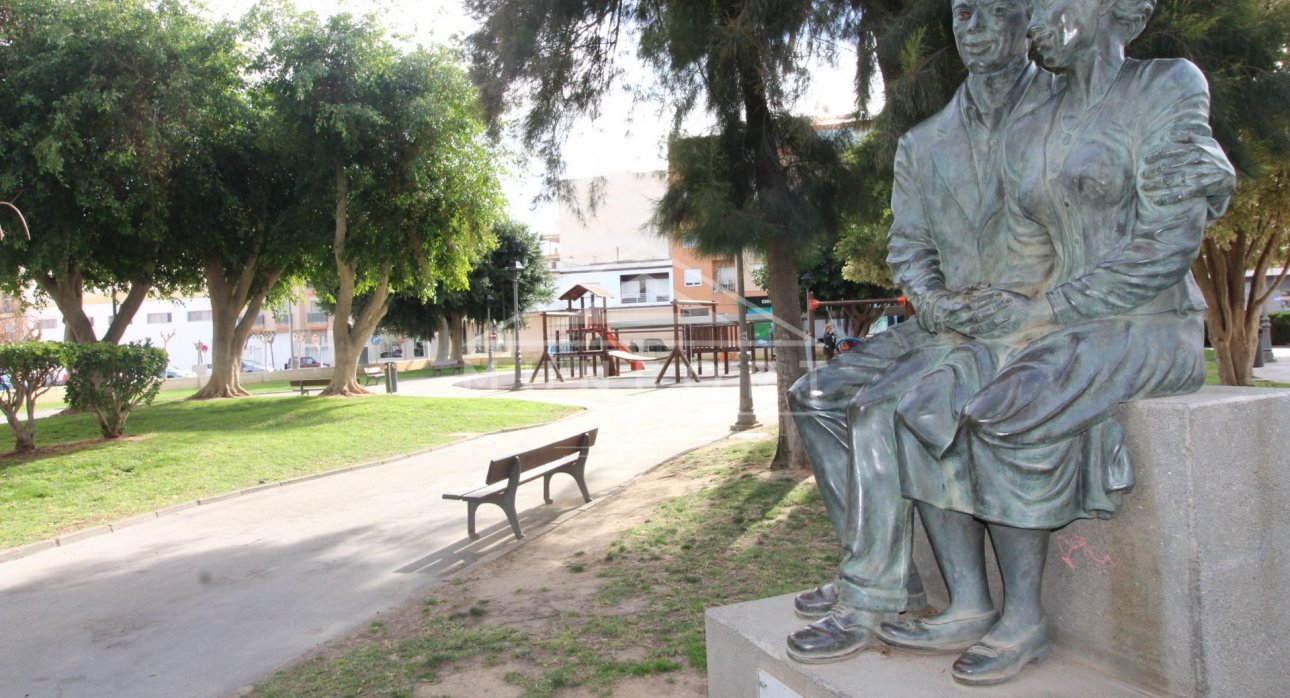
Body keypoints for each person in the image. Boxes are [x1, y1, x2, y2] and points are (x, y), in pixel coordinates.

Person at [784, 0, 1234, 667]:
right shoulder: (984, 135)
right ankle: (912, 584)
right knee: (866, 399)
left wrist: (1032, 312)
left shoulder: (1128, 90)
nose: (981, 26)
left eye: (1012, 10)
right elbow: (944, 245)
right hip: (1005, 315)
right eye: (963, 14)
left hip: (1104, 317)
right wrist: (956, 306)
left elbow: (1154, 238)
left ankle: (982, 609)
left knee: (955, 405)